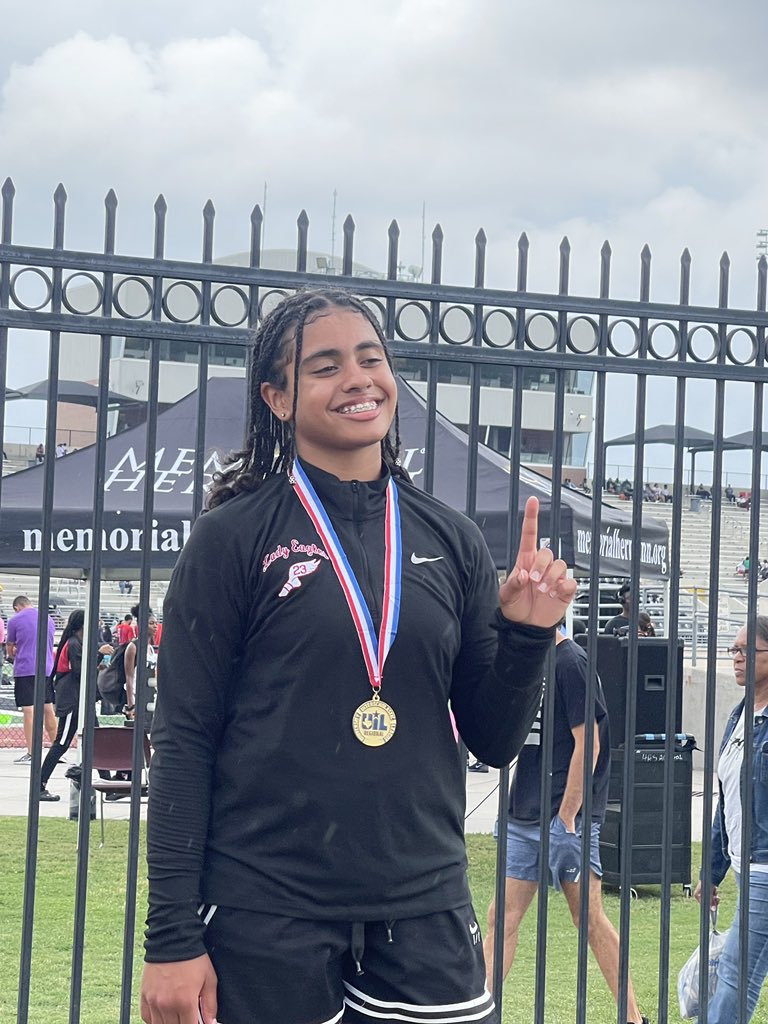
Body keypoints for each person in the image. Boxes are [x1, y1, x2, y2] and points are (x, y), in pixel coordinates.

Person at [140, 288, 577, 1024]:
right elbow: (183, 741)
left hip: (424, 909)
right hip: (264, 912)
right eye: (325, 366)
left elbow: (494, 739)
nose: (358, 379)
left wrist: (527, 635)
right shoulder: (233, 538)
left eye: (371, 359)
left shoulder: (452, 538)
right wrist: (172, 939)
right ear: (277, 398)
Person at [483, 625, 648, 1024]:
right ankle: (481, 1011)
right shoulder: (532, 663)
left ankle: (634, 1017)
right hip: (525, 814)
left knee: (589, 921)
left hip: (565, 817)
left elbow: (588, 743)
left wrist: (568, 816)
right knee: (500, 917)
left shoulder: (571, 661)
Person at [696, 618, 768, 1022]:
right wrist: (711, 872)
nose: (737, 658)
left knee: (736, 977)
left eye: (747, 650)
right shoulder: (739, 715)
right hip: (744, 864)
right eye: (734, 650)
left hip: (765, 869)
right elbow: (727, 804)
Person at [39, 609, 85, 801]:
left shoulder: (77, 643)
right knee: (62, 743)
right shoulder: (73, 643)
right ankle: (39, 785)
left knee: (97, 739)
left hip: (81, 700)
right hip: (72, 701)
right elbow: (78, 671)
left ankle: (111, 780)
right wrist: (98, 656)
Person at [6, 595, 57, 764]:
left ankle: (32, 752)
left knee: (29, 710)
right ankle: (56, 750)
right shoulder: (48, 618)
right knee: (48, 708)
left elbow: (10, 647)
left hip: (25, 668)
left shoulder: (15, 620)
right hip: (46, 668)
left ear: (17, 607)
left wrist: (12, 654)